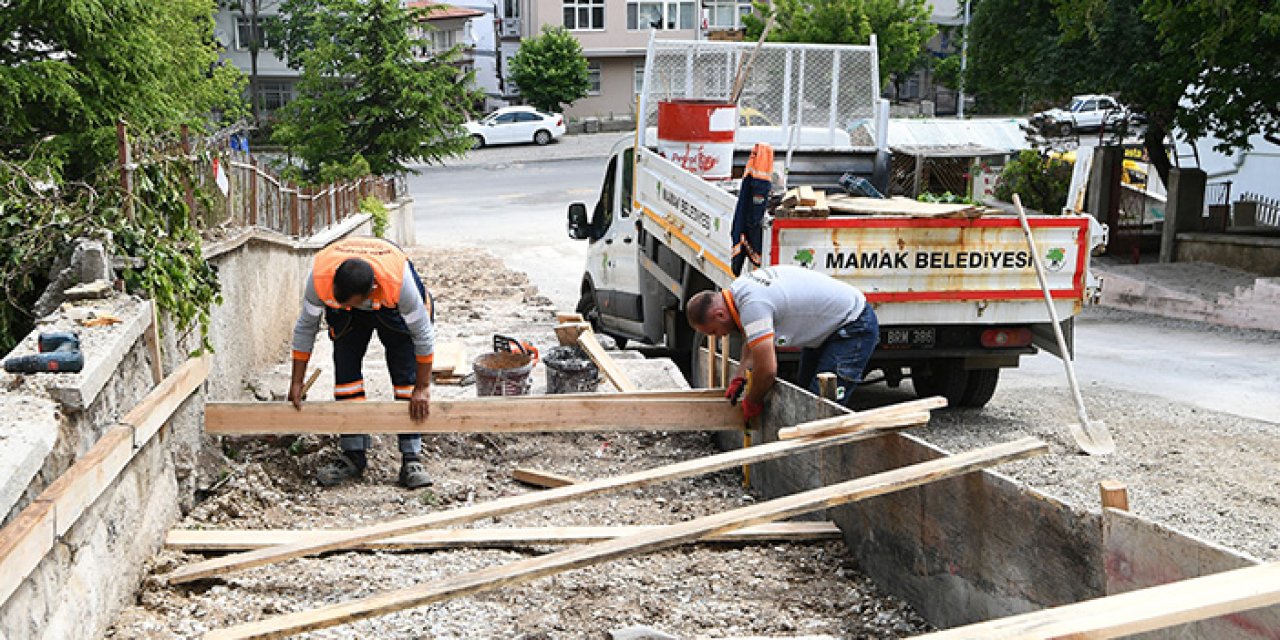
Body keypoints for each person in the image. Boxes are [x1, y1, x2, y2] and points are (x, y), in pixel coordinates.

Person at [289, 237, 435, 488]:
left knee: (406, 379)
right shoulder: (320, 278)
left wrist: (422, 388)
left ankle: (411, 456)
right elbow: (305, 328)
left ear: (369, 292)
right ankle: (353, 455)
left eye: (350, 302)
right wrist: (296, 382)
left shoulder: (398, 284)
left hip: (391, 309)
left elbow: (422, 335)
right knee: (346, 377)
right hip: (349, 310)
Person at [685, 265, 878, 419]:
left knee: (821, 411)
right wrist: (740, 377)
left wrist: (752, 401)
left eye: (713, 331)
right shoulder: (739, 291)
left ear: (719, 314)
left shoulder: (753, 306)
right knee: (805, 399)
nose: (719, 336)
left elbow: (767, 371)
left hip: (853, 327)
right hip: (829, 329)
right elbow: (752, 343)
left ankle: (825, 463)